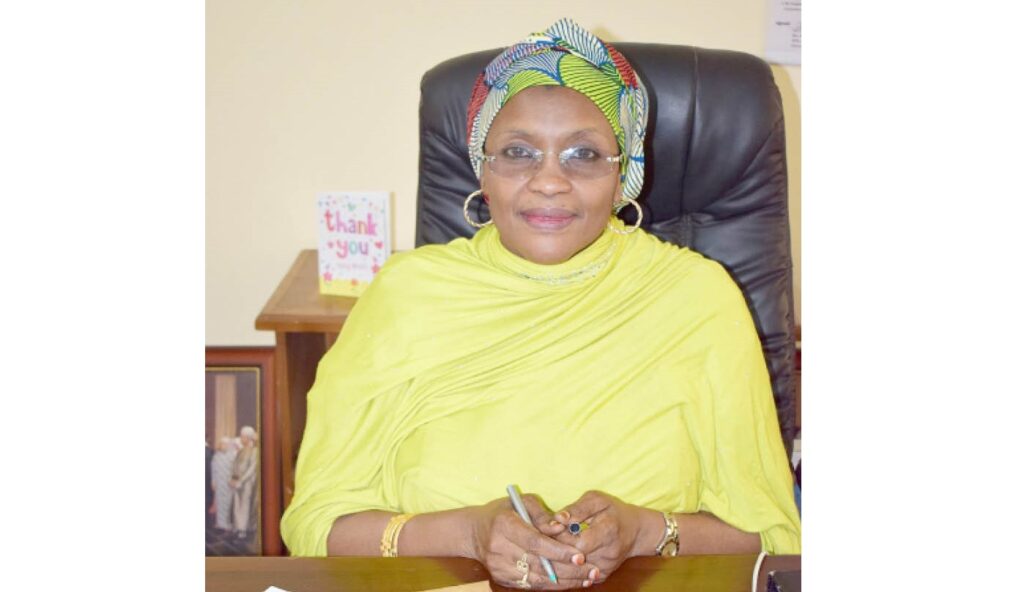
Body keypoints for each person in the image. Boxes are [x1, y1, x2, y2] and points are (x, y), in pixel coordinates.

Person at [281, 18, 800, 589]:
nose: (549, 180)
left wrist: (645, 531)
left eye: (584, 154)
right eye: (518, 152)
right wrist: (468, 535)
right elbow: (317, 527)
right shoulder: (405, 295)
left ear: (624, 176)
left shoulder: (696, 298)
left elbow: (771, 540)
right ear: (483, 170)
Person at [230, 426, 259, 539]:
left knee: (245, 506)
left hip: (247, 483)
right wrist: (233, 478)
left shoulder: (254, 451)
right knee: (237, 505)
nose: (241, 438)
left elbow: (252, 469)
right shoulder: (241, 450)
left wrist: (241, 480)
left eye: (243, 436)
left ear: (248, 438)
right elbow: (235, 465)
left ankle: (243, 530)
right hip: (237, 482)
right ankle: (237, 527)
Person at [210, 436, 238, 532]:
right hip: (219, 483)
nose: (223, 446)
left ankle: (228, 524)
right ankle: (220, 523)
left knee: (228, 504)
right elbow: (213, 470)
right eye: (222, 444)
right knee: (219, 503)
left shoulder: (233, 456)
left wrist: (234, 480)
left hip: (229, 484)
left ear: (229, 445)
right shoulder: (216, 456)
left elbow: (236, 470)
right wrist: (213, 481)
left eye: (225, 444)